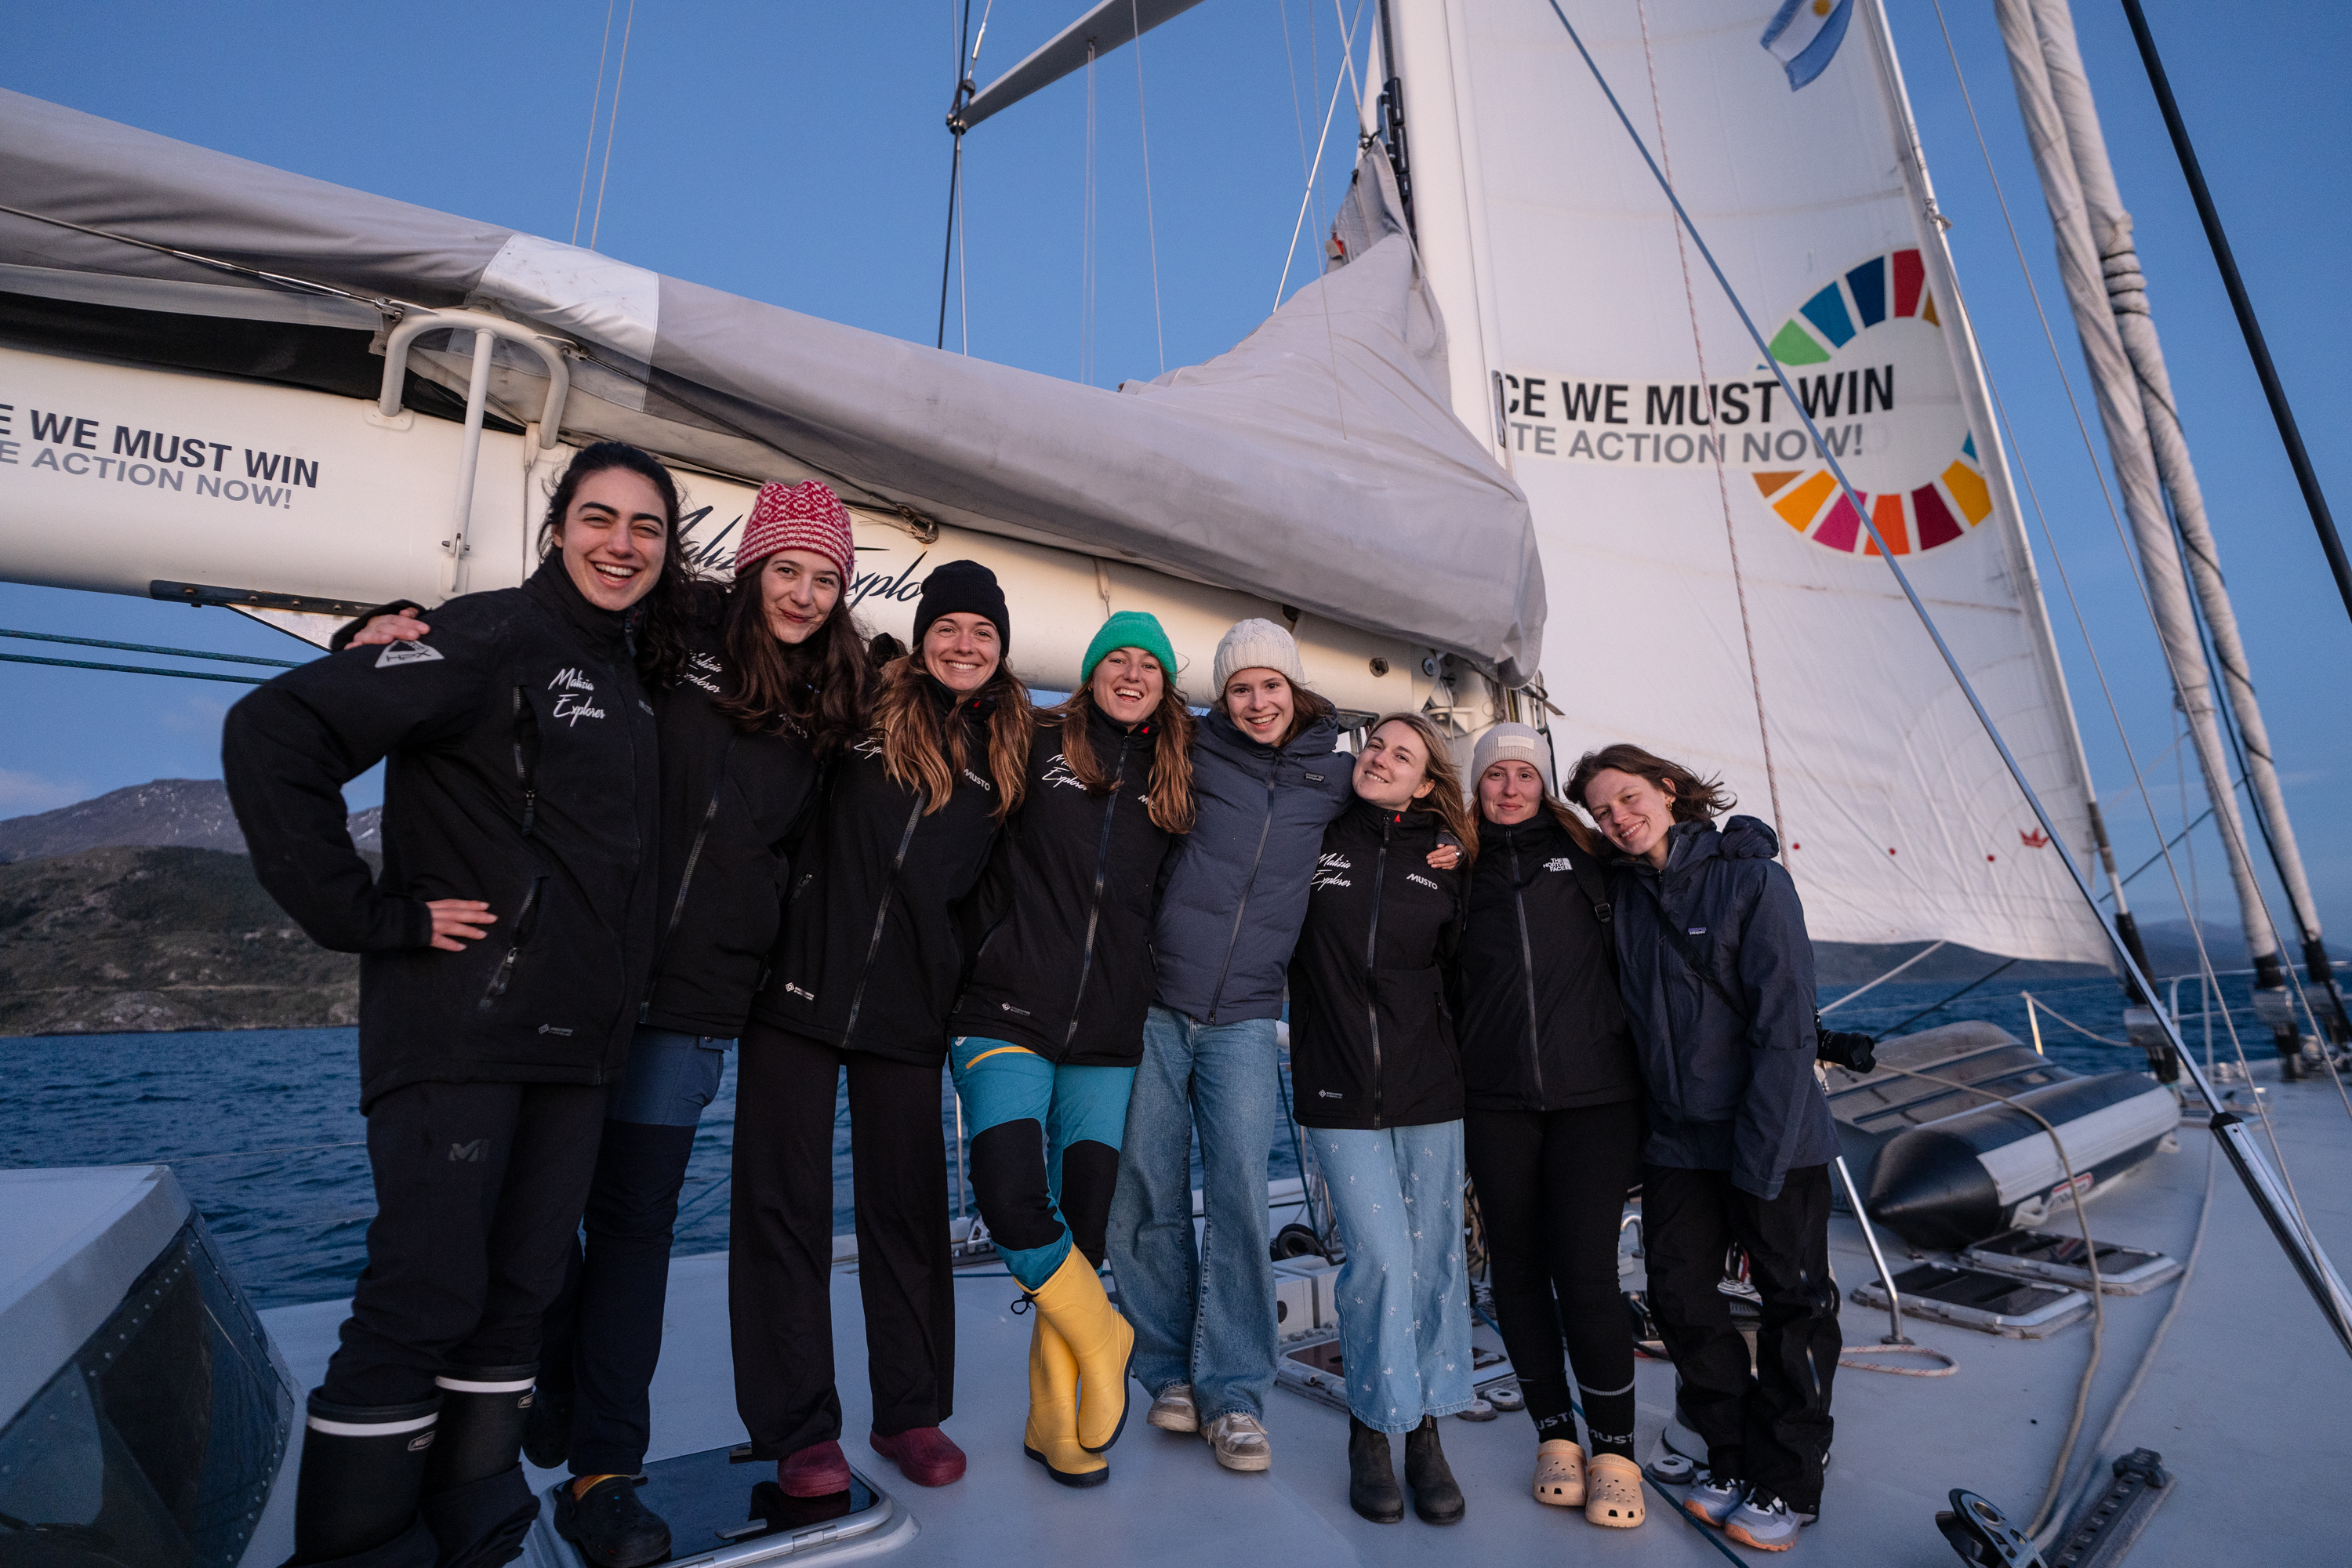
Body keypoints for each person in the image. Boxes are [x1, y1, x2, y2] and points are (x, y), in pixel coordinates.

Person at [353, 479, 870, 1563]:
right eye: (789, 569)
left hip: (694, 1005)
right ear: (752, 569)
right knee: (528, 1216)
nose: (806, 594)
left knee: (632, 1232)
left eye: (827, 578)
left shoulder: (836, 700)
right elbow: (551, 623)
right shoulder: (666, 633)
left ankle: (605, 1470)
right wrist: (401, 631)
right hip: (580, 974)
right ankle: (540, 1372)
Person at [223, 441, 685, 1568]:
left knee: (518, 1298)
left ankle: (474, 1540)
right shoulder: (485, 637)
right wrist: (374, 917)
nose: (621, 544)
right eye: (599, 518)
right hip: (462, 1033)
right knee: (423, 1298)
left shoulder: (632, 675)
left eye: (647, 529)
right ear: (558, 527)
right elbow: (274, 734)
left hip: (577, 1054)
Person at [731, 560, 1031, 1497]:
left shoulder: (1013, 749)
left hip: (908, 1005)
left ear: (1002, 646)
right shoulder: (862, 699)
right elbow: (764, 660)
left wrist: (955, 970)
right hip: (796, 986)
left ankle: (910, 1410)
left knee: (905, 1211)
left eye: (983, 631)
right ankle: (799, 1427)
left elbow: (996, 889)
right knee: (783, 1205)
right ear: (925, 631)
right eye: (950, 626)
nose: (964, 644)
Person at [1569, 743, 1841, 1555]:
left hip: (1775, 1136)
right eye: (1601, 809)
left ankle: (1790, 1481)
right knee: (1681, 1296)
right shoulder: (1622, 893)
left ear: (1668, 787)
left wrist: (1756, 1163)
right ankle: (1727, 1456)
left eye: (1627, 797)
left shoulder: (1753, 880)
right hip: (1679, 1142)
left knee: (1795, 1308)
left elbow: (1784, 1029)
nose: (1618, 816)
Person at [943, 611, 1196, 1487]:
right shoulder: (1033, 733)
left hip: (1109, 1031)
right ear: (1088, 672)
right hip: (1004, 1009)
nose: (1131, 674)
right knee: (1014, 1201)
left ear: (1167, 684)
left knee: (1081, 1226)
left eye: (1148, 665)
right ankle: (1107, 1334)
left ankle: (1054, 1421)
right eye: (1115, 660)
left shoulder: (1175, 774)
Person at [1105, 618, 1353, 1475]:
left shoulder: (1335, 774)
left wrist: (1437, 838)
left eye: (1270, 685)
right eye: (1239, 687)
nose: (1255, 701)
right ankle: (1168, 1370)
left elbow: (1406, 809)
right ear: (1223, 695)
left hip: (1248, 1015)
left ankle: (1238, 1391)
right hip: (1157, 1003)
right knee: (1144, 1186)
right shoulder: (1191, 749)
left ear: (1295, 690)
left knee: (1243, 1193)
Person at [1452, 723, 1650, 1530]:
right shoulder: (1454, 868)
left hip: (1596, 1098)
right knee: (1519, 1275)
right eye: (1494, 775)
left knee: (1589, 1273)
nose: (1508, 788)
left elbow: (1679, 875)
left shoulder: (1596, 865)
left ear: (1545, 784)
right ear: (1476, 785)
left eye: (1523, 775)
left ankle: (1615, 1451)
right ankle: (1555, 1437)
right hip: (1495, 1100)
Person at [1287, 713, 1476, 1527]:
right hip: (1337, 1084)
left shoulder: (1450, 861)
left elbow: (1473, 971)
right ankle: (1373, 1424)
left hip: (1430, 1087)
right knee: (1382, 1259)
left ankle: (1425, 1428)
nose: (1380, 758)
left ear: (1427, 780)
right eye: (1375, 744)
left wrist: (1465, 851)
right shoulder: (1317, 833)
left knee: (1435, 1259)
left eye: (1401, 754)